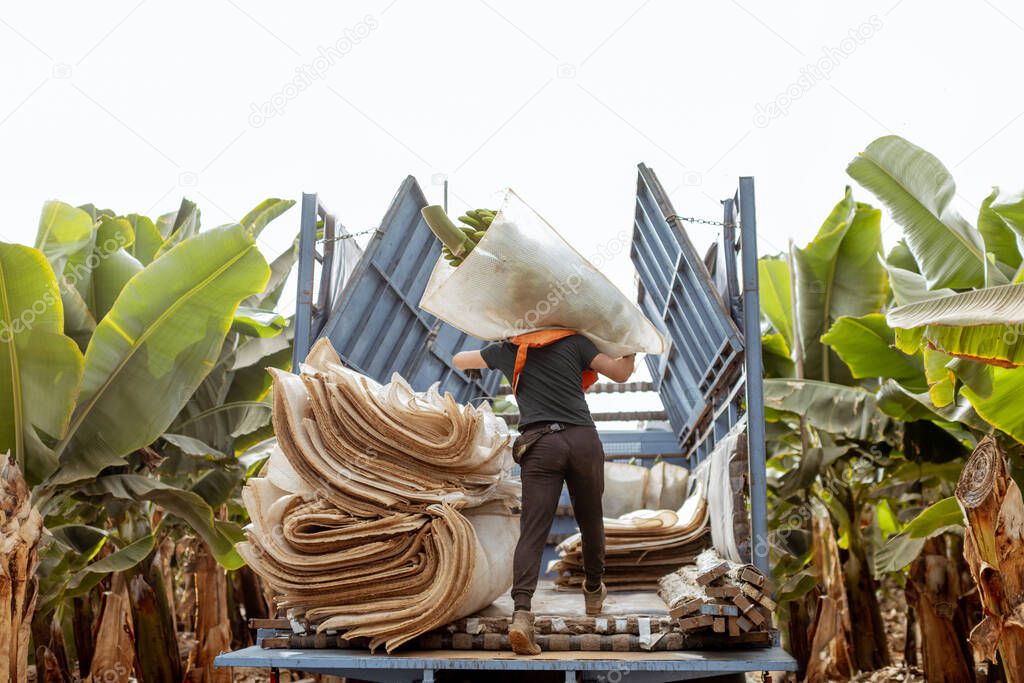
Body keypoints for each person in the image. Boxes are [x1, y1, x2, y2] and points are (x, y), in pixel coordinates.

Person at [454, 331, 636, 655]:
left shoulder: (508, 349)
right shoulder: (574, 341)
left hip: (540, 445)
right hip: (582, 441)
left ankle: (522, 615)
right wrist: (632, 348)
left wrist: (497, 344)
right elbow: (621, 373)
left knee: (533, 531)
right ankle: (593, 591)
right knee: (591, 521)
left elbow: (459, 360)